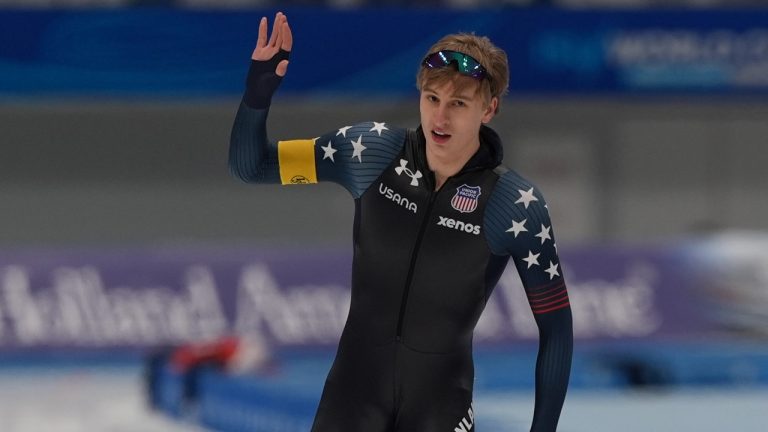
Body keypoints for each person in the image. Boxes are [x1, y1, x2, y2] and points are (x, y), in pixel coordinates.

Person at [229, 12, 572, 432]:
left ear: (489, 108)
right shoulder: (370, 152)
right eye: (432, 98)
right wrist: (258, 92)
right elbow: (252, 166)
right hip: (352, 397)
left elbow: (556, 330)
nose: (440, 118)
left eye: (458, 104)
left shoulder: (515, 204)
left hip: (439, 405)